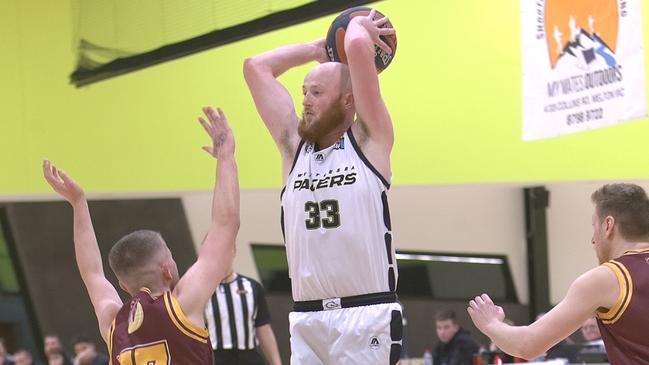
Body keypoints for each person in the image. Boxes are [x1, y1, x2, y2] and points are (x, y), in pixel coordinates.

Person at [244, 9, 401, 364]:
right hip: (307, 316)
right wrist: (318, 49)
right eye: (303, 91)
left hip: (367, 313)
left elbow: (360, 47)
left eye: (316, 91)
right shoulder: (292, 147)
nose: (305, 100)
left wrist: (357, 26)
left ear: (348, 100)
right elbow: (256, 67)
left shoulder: (369, 140)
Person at [42, 105, 240, 364]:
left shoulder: (114, 322)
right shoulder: (183, 303)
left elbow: (91, 273)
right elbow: (226, 225)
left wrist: (78, 203)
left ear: (123, 286)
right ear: (167, 270)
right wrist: (226, 157)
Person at [468, 183, 649, 364]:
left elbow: (527, 345)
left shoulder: (607, 278)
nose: (593, 239)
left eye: (594, 226)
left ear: (608, 225)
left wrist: (491, 324)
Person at [204, 263, 282, 365]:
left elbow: (263, 329)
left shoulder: (253, 287)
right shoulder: (203, 289)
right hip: (216, 357)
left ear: (233, 251)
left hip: (248, 357)